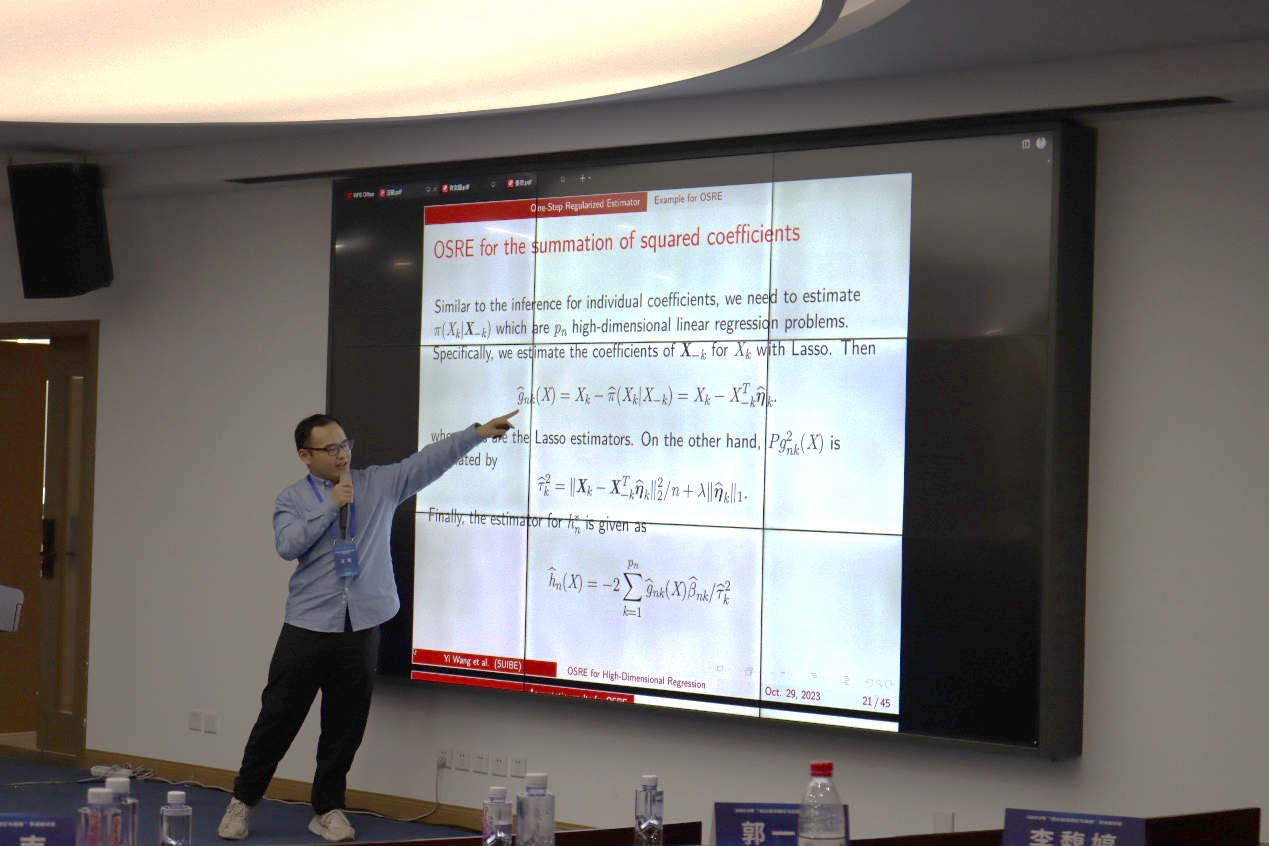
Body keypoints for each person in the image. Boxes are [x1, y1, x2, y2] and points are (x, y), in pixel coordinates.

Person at [218, 410, 517, 842]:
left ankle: (327, 809)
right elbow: (287, 545)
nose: (342, 453)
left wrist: (476, 434)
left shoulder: (379, 483)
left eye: (345, 444)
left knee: (345, 726)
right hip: (308, 626)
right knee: (278, 718)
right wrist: (330, 506)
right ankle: (242, 801)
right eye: (330, 448)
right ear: (305, 455)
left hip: (361, 627)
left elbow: (427, 460)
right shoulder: (292, 499)